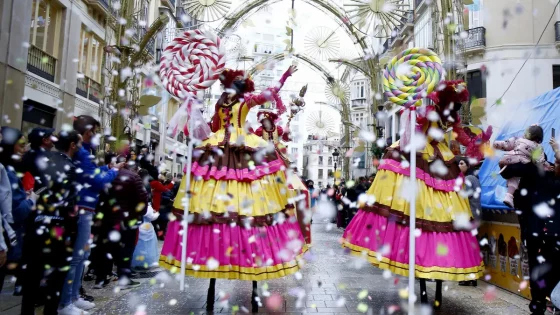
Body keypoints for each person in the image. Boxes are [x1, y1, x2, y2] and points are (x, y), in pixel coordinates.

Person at [160, 65, 306, 282]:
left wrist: (284, 76)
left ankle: (221, 249)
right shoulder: (239, 101)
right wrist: (284, 76)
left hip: (224, 144)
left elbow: (215, 124)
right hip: (232, 144)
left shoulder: (233, 102)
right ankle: (239, 249)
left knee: (220, 190)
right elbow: (270, 92)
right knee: (245, 192)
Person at [342, 81, 491, 284]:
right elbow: (415, 130)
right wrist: (413, 114)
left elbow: (461, 137)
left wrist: (478, 141)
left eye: (456, 105)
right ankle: (408, 250)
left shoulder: (452, 118)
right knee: (411, 204)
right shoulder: (429, 110)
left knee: (441, 211)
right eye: (453, 104)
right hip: (421, 152)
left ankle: (431, 257)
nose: (455, 109)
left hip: (439, 156)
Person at [58, 116, 121, 315]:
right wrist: (113, 172)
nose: (94, 135)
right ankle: (66, 302)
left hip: (86, 207)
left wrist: (106, 169)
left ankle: (73, 297)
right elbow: (96, 182)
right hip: (82, 207)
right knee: (77, 257)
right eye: (93, 131)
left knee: (82, 255)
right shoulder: (81, 152)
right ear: (86, 132)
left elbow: (91, 174)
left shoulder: (83, 152)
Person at [20, 130, 81, 315]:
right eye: (78, 144)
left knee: (33, 274)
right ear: (72, 145)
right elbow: (70, 204)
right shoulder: (70, 167)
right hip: (58, 226)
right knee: (56, 275)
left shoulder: (40, 159)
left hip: (36, 223)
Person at [500, 139, 560, 315]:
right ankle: (539, 304)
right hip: (537, 234)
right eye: (555, 162)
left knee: (553, 269)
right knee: (537, 269)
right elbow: (507, 169)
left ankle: (548, 300)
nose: (556, 165)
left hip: (555, 237)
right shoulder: (539, 173)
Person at [94, 154, 148, 289]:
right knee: (126, 248)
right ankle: (123, 279)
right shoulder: (134, 177)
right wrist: (139, 213)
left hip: (108, 218)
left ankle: (100, 279)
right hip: (128, 219)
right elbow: (142, 198)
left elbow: (100, 197)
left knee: (105, 247)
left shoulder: (107, 175)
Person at [0, 127, 37, 294]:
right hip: (8, 240)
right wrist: (30, 201)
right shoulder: (6, 172)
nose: (24, 150)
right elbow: (14, 212)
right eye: (21, 145)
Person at [493, 125, 547, 208]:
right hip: (522, 162)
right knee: (516, 177)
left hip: (509, 160)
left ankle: (509, 195)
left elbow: (506, 144)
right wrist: (545, 165)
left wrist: (495, 144)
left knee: (513, 177)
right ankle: (509, 196)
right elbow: (539, 161)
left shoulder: (518, 140)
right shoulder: (537, 147)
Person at [457, 157, 481, 287]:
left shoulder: (469, 179)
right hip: (472, 216)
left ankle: (470, 276)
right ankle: (471, 276)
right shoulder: (471, 178)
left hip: (470, 216)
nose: (459, 166)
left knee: (468, 246)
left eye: (461, 163)